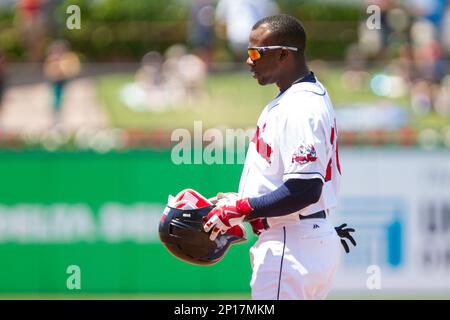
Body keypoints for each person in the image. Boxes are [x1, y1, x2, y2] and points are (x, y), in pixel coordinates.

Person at [204, 14, 355, 300]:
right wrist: (238, 201)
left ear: (284, 54)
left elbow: (305, 189)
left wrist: (242, 208)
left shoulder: (300, 106)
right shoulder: (297, 98)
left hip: (291, 240)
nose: (249, 61)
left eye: (255, 52)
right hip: (299, 238)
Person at [43, 40, 80, 124]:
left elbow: (72, 69)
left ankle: (62, 119)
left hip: (63, 81)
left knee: (64, 100)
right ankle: (56, 119)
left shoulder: (67, 58)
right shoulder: (52, 59)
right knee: (56, 101)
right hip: (55, 82)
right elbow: (48, 71)